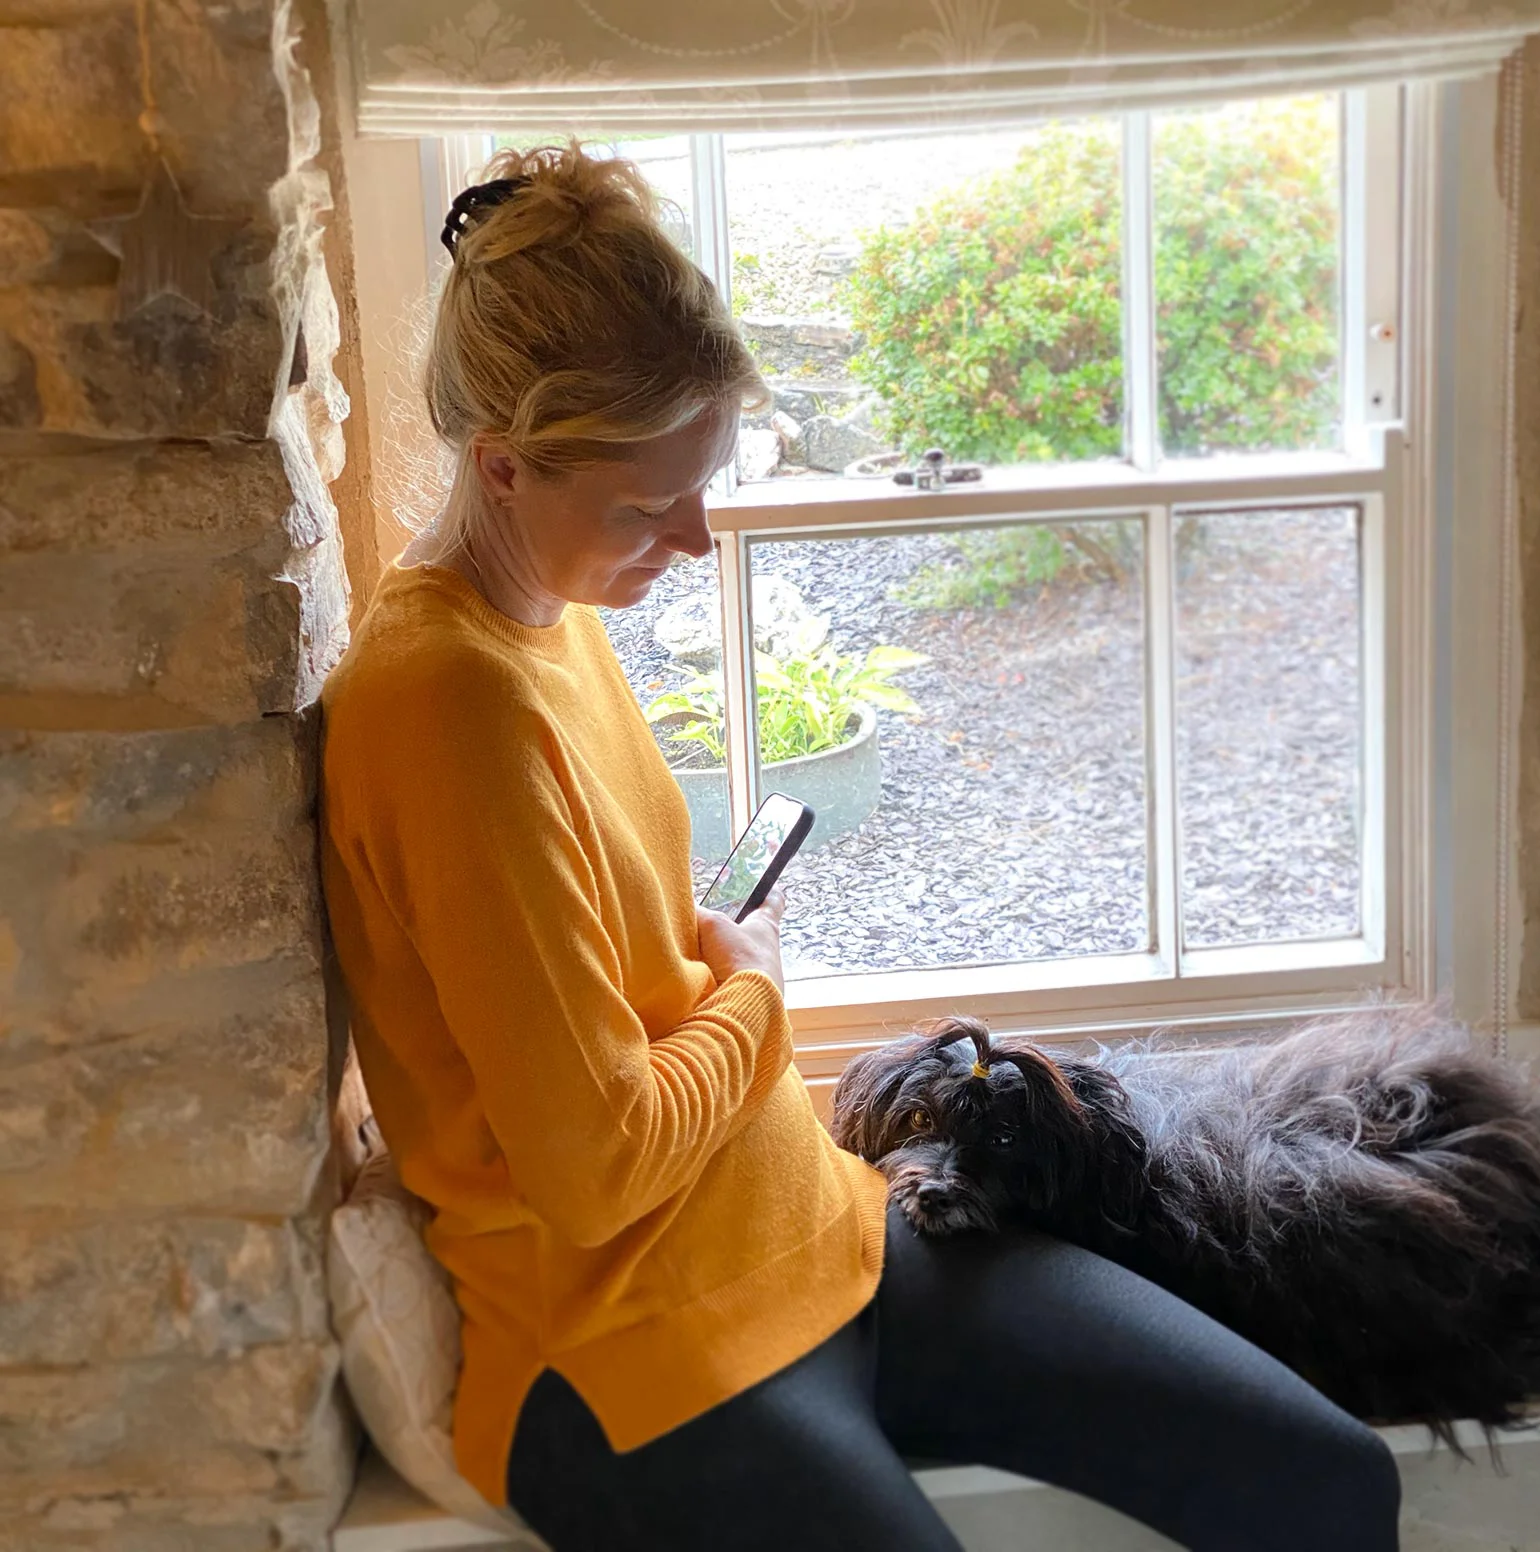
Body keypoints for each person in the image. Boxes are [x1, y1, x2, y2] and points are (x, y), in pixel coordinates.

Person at [318, 142, 1401, 1551]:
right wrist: (756, 987)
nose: (697, 539)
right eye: (650, 505)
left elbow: (610, 992)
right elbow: (594, 1172)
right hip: (630, 1351)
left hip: (823, 1230)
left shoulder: (556, 607)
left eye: (701, 485)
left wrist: (712, 996)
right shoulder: (441, 701)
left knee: (1326, 1480)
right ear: (503, 466)